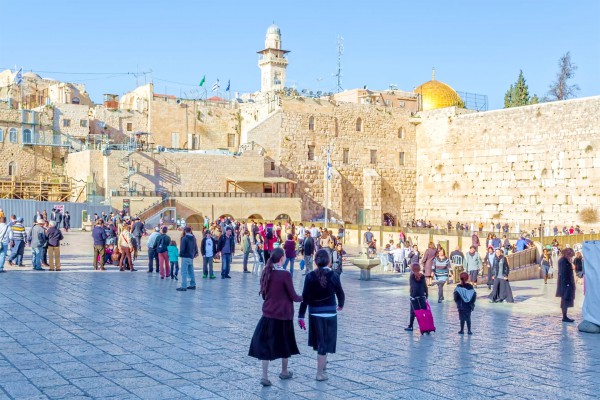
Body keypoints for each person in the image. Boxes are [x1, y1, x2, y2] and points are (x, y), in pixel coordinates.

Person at [248, 248, 303, 386]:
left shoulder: (267, 272)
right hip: (284, 314)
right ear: (282, 258)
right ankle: (284, 371)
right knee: (285, 343)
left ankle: (264, 376)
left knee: (265, 344)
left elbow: (265, 295)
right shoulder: (285, 274)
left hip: (268, 314)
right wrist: (305, 297)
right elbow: (293, 296)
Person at [298, 249, 345, 382]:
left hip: (315, 312)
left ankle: (322, 367)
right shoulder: (334, 275)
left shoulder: (310, 276)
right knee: (326, 342)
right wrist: (341, 304)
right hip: (330, 312)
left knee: (320, 342)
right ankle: (320, 372)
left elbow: (305, 297)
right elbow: (340, 293)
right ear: (329, 261)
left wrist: (301, 315)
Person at [404, 264, 428, 332]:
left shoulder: (412, 276)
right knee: (423, 311)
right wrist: (426, 295)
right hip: (422, 296)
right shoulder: (422, 276)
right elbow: (425, 286)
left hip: (414, 297)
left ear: (412, 269)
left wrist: (412, 296)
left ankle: (410, 326)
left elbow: (413, 286)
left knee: (413, 312)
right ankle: (425, 326)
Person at [556, 248, 576, 322]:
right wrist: (568, 284)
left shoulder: (565, 260)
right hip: (565, 284)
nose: (571, 256)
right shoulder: (563, 261)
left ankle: (565, 316)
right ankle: (564, 317)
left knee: (565, 300)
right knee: (565, 300)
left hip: (565, 284)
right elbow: (563, 273)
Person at [177, 226, 199, 291]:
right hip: (191, 257)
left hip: (185, 256)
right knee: (191, 271)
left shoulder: (184, 238)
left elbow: (182, 248)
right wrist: (195, 253)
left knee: (184, 272)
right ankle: (193, 284)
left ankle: (184, 286)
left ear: (185, 231)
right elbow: (195, 247)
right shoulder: (193, 238)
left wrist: (181, 254)